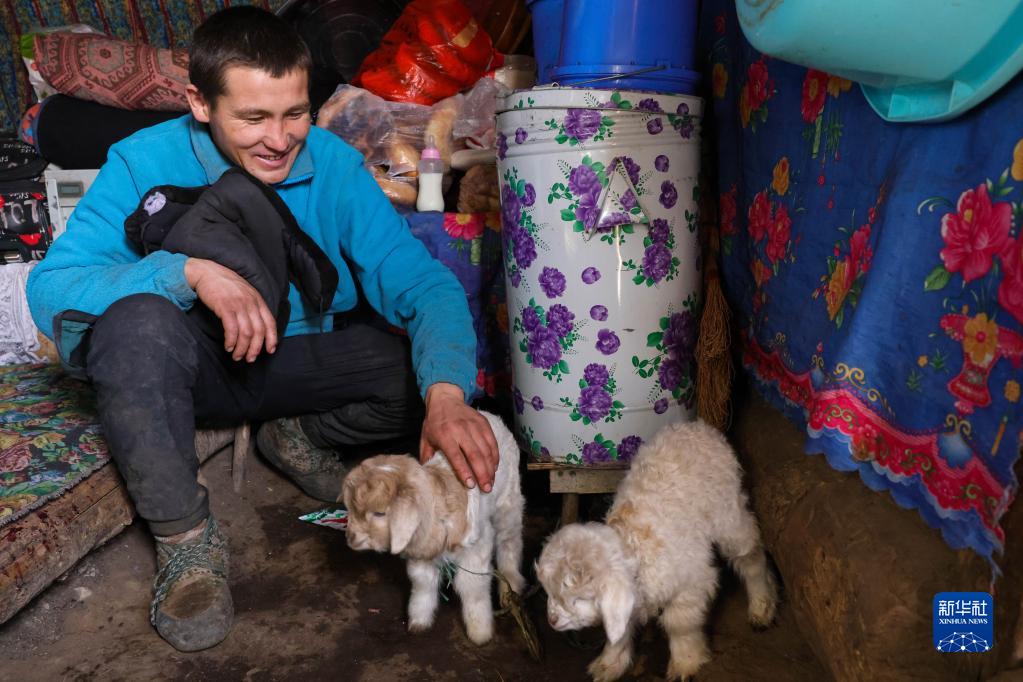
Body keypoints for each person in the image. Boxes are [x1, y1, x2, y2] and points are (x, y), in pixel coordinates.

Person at [26, 6, 499, 652]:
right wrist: (187, 273)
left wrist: (447, 397)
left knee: (419, 368)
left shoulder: (331, 163)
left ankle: (297, 435)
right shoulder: (142, 162)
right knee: (134, 324)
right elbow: (51, 287)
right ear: (200, 103)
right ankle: (186, 543)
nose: (278, 140)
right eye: (252, 118)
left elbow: (422, 284)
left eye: (294, 113)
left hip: (292, 361)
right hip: (193, 372)